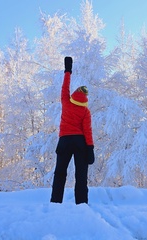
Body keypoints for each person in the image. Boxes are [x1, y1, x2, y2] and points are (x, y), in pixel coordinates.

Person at [50, 56, 95, 204]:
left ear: (74, 95)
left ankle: (55, 202)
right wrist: (90, 149)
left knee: (60, 173)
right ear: (85, 99)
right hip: (80, 142)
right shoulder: (85, 112)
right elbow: (87, 131)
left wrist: (68, 70)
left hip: (64, 141)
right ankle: (82, 205)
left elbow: (64, 87)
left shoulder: (66, 102)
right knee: (81, 176)